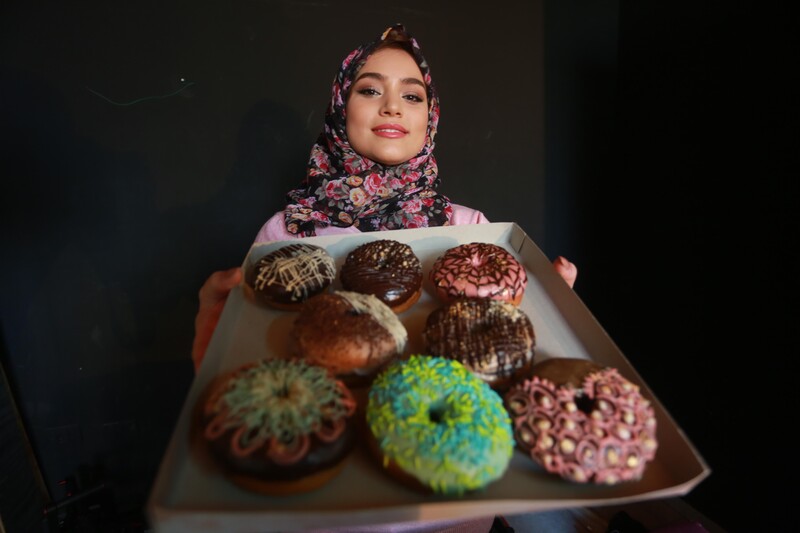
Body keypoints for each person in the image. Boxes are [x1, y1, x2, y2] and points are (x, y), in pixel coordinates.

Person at [192, 24, 577, 372]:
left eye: (412, 95)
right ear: (341, 108)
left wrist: (548, 317)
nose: (392, 106)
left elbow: (502, 355)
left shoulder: (471, 229)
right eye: (370, 90)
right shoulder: (286, 233)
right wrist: (212, 359)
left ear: (431, 116)